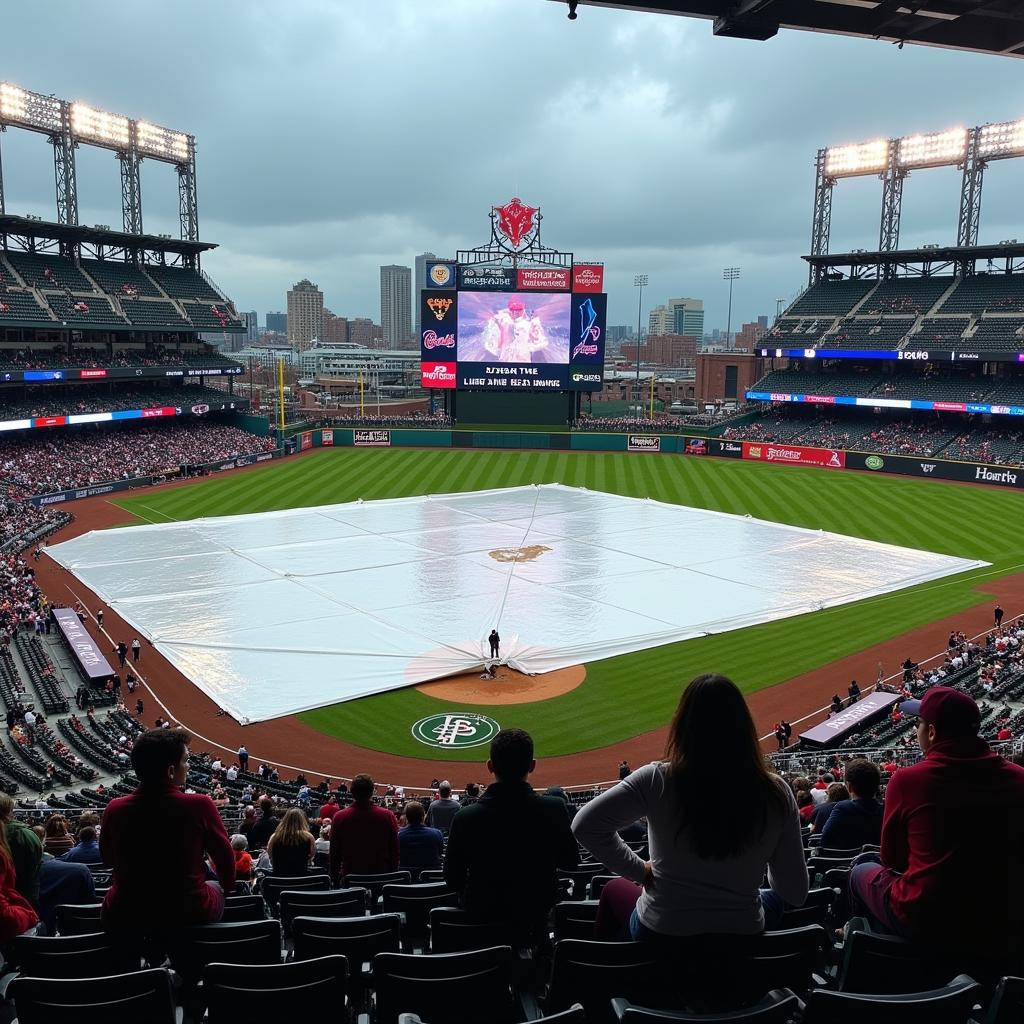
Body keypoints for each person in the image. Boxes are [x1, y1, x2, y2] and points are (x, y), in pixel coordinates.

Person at [573, 674, 807, 940]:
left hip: (661, 929)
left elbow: (585, 825)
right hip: (741, 934)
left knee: (614, 888)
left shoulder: (657, 778)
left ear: (683, 726)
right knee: (771, 902)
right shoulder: (776, 791)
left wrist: (640, 871)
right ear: (743, 727)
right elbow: (795, 894)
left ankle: (607, 972)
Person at [848, 687, 1024, 961]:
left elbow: (892, 859)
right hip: (1002, 914)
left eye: (918, 723)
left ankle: (872, 955)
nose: (916, 730)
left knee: (861, 869)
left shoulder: (907, 780)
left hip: (927, 917)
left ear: (931, 732)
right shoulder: (1019, 777)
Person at [444, 728, 578, 944]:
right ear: (532, 765)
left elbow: (452, 879)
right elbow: (571, 862)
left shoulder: (465, 817)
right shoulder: (554, 808)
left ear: (490, 766)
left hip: (483, 923)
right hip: (536, 921)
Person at [100, 728, 235, 932]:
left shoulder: (114, 808)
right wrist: (228, 888)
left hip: (126, 909)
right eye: (185, 760)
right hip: (189, 909)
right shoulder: (200, 804)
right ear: (171, 771)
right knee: (216, 888)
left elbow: (108, 859)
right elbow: (225, 858)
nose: (188, 766)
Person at [329, 774, 398, 883]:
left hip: (350, 879)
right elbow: (394, 850)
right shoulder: (387, 815)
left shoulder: (339, 817)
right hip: (381, 878)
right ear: (372, 792)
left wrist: (334, 879)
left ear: (352, 792)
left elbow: (334, 853)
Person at [820, 759, 882, 850]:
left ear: (849, 787)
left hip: (846, 862)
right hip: (880, 862)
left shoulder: (843, 808)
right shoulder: (885, 810)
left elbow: (825, 839)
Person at [481, 297, 549, 362]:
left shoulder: (528, 323)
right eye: (513, 310)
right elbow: (494, 344)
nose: (516, 313)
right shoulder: (501, 321)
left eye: (519, 310)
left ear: (523, 310)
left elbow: (539, 342)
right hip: (506, 361)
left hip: (522, 360)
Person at [398, 801, 444, 875]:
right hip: (432, 880)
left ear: (406, 817)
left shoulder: (399, 835)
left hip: (407, 878)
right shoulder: (437, 833)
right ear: (423, 816)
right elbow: (440, 853)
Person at [267, 808, 315, 876]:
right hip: (301, 879)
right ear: (302, 821)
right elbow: (312, 855)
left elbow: (270, 853)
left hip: (279, 880)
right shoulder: (309, 837)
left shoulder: (274, 837)